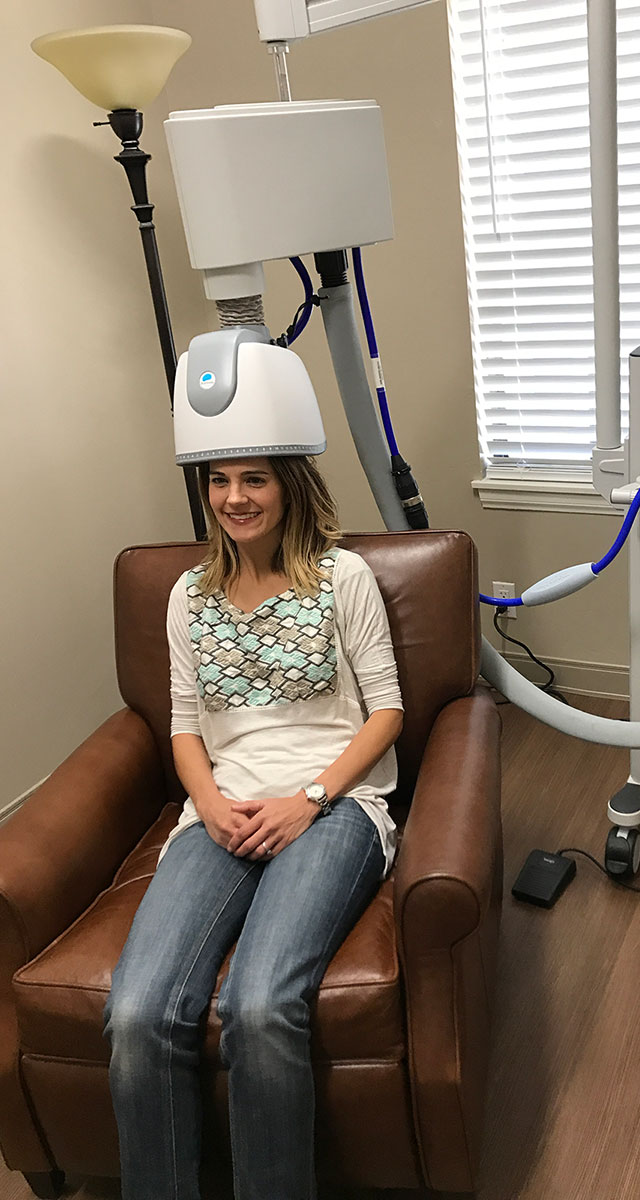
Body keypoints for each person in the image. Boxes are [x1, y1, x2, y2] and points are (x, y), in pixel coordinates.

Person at [102, 453, 404, 1200]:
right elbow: (182, 725)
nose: (234, 498)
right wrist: (205, 801)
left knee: (262, 1004)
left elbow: (388, 712)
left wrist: (309, 797)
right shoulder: (188, 594)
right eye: (219, 481)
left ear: (289, 485)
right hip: (223, 810)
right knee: (137, 1013)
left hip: (333, 806)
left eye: (255, 479)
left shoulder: (344, 578)